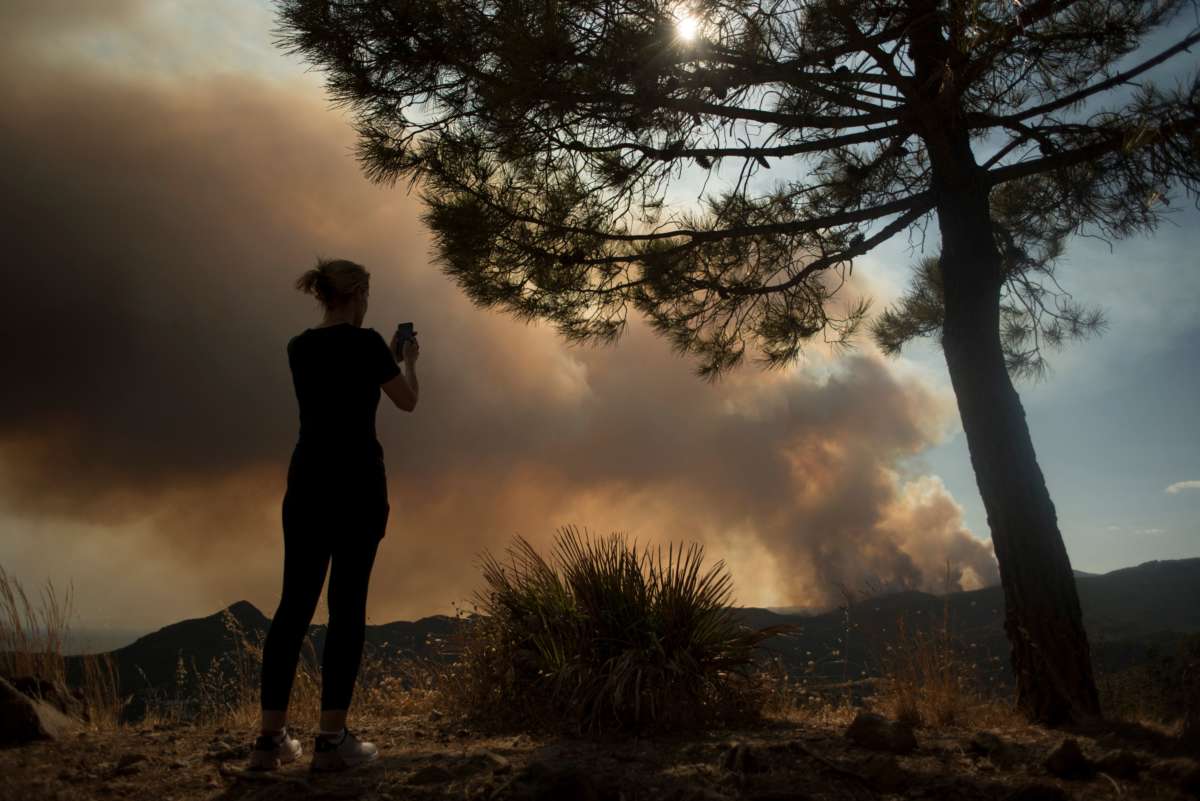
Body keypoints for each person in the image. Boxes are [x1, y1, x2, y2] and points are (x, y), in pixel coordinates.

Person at [248, 258, 420, 772]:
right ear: (359, 293)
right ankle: (330, 741)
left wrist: (378, 359)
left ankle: (267, 743)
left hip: (306, 484)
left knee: (292, 607)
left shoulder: (298, 347)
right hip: (358, 485)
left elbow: (336, 390)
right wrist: (407, 359)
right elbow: (406, 401)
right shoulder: (369, 346)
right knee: (346, 607)